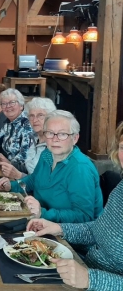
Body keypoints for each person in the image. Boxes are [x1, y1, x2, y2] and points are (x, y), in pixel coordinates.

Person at [26, 122, 123, 290]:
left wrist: (90, 279)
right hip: (81, 267)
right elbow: (97, 231)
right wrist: (59, 228)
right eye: (122, 147)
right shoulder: (121, 189)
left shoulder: (80, 167)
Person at [0, 110, 103, 223]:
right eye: (50, 133)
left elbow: (84, 216)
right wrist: (12, 186)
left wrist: (43, 213)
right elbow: (34, 180)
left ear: (75, 138)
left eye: (62, 134)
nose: (55, 139)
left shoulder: (80, 168)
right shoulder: (47, 154)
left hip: (67, 234)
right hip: (40, 221)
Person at [0, 97, 56, 179]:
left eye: (40, 115)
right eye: (31, 116)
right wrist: (8, 163)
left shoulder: (54, 145)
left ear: (50, 118)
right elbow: (29, 169)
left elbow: (46, 182)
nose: (35, 120)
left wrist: (19, 176)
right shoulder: (34, 139)